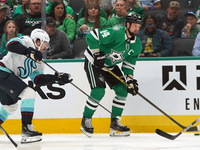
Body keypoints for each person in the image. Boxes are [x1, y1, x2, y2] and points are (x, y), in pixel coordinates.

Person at [0, 28, 72, 143]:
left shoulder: (38, 61)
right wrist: (29, 52)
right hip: (2, 72)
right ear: (38, 41)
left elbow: (38, 80)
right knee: (29, 93)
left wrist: (55, 78)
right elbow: (10, 45)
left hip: (6, 78)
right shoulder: (27, 41)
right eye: (44, 44)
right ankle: (26, 130)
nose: (45, 48)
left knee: (10, 107)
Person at [81, 13, 142, 138]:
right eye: (134, 25)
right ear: (127, 24)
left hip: (110, 66)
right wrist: (96, 53)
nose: (137, 28)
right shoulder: (116, 32)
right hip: (94, 63)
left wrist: (129, 80)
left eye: (139, 26)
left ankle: (115, 123)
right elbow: (92, 36)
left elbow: (128, 65)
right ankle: (86, 119)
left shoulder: (136, 45)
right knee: (99, 91)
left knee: (123, 90)